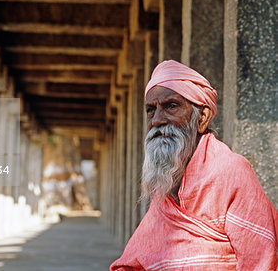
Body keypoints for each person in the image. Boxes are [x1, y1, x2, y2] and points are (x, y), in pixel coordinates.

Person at [110, 60, 277, 270]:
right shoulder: (166, 181)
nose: (157, 120)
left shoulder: (231, 170)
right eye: (151, 110)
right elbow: (139, 255)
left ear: (202, 118)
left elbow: (260, 260)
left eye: (171, 106)